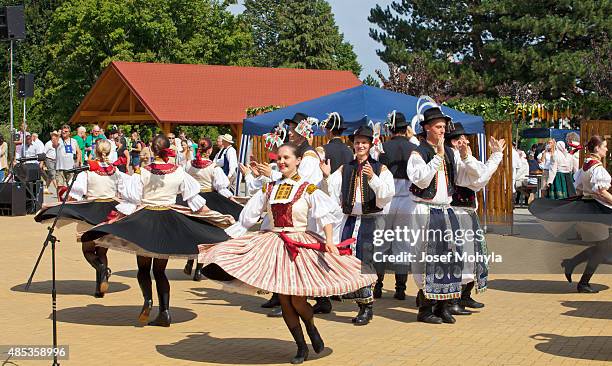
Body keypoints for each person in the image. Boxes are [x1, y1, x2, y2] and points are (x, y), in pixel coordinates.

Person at [198, 142, 376, 364]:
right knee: (285, 300)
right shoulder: (269, 188)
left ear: (298, 160)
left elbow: (325, 215)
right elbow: (249, 216)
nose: (281, 162)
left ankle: (311, 328)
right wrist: (232, 236)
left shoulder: (308, 188)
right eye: (279, 158)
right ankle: (301, 347)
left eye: (286, 158)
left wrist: (330, 241)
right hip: (275, 244)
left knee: (298, 300)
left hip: (299, 244)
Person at [81, 135, 232, 327]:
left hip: (145, 221)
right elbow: (195, 202)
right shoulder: (178, 172)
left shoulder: (141, 172)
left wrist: (112, 221)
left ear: (152, 150)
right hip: (168, 222)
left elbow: (131, 201)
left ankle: (148, 301)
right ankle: (165, 312)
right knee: (160, 271)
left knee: (143, 268)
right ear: (167, 149)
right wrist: (215, 217)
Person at [406, 105, 487, 324]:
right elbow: (420, 179)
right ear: (427, 128)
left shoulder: (450, 153)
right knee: (426, 259)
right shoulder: (418, 152)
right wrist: (437, 157)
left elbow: (467, 180)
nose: (443, 130)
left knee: (450, 257)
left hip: (446, 209)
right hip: (425, 209)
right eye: (438, 127)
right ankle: (425, 309)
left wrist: (466, 157)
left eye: (444, 127)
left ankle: (443, 305)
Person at [321, 125, 395, 325]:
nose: (360, 145)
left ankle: (366, 307)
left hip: (371, 221)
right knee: (350, 263)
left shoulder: (381, 168)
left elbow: (387, 194)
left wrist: (373, 178)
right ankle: (358, 301)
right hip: (350, 221)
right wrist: (327, 176)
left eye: (364, 142)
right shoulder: (346, 168)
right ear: (353, 145)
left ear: (370, 145)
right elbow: (332, 194)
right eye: (357, 142)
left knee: (366, 264)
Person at [35, 140, 121, 297]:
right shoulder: (115, 171)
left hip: (91, 212)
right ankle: (100, 287)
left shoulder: (88, 172)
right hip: (109, 212)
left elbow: (75, 193)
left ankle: (102, 270)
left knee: (88, 249)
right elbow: (122, 189)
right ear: (109, 153)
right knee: (102, 251)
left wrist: (64, 196)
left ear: (95, 152)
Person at [530, 135, 612, 293]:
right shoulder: (597, 168)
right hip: (595, 210)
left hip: (589, 209)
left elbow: (579, 188)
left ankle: (573, 265)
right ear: (597, 148)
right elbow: (601, 190)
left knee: (602, 246)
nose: (607, 149)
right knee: (603, 247)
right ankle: (580, 278)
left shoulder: (586, 165)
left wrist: (588, 197)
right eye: (605, 146)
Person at [444, 124, 505, 315]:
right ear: (451, 143)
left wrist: (495, 155)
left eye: (464, 139)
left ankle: (464, 295)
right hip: (456, 213)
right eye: (458, 140)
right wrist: (494, 157)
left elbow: (481, 176)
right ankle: (453, 299)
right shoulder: (452, 160)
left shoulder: (464, 159)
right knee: (459, 256)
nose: (464, 143)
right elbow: (479, 178)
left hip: (468, 214)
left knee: (474, 256)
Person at [181, 137, 243, 281]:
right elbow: (221, 187)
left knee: (193, 233)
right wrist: (230, 199)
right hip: (209, 202)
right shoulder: (214, 167)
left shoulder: (188, 165)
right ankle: (198, 269)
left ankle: (190, 262)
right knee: (205, 234)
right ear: (209, 151)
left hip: (191, 200)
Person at [375, 111, 418, 300]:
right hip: (408, 197)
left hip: (389, 197)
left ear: (391, 128)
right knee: (403, 244)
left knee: (381, 243)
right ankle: (400, 289)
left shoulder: (383, 147)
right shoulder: (414, 147)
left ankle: (377, 285)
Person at [55, 125, 82, 195]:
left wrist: (77, 162)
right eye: (63, 131)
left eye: (66, 131)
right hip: (60, 167)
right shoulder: (58, 140)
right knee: (59, 186)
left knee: (71, 186)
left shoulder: (73, 141)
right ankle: (60, 202)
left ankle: (69, 201)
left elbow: (79, 152)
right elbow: (54, 144)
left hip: (70, 167)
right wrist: (58, 135)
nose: (64, 132)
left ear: (69, 133)